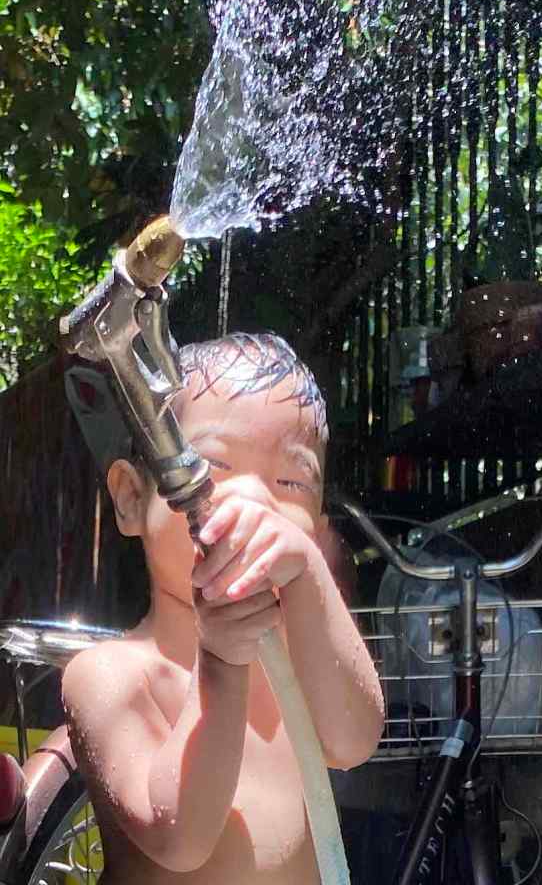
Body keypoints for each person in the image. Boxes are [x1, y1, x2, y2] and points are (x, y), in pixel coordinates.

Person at [61, 332, 384, 884]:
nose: (256, 501)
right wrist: (221, 662)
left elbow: (354, 742)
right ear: (133, 498)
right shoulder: (112, 675)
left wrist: (309, 572)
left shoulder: (295, 663)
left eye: (292, 481)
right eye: (211, 467)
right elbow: (179, 840)